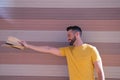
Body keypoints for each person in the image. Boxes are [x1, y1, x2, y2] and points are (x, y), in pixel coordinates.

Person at [20, 26, 105, 80]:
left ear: (77, 34)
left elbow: (100, 72)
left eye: (69, 35)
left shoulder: (91, 49)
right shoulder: (68, 50)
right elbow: (48, 49)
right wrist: (28, 45)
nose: (67, 38)